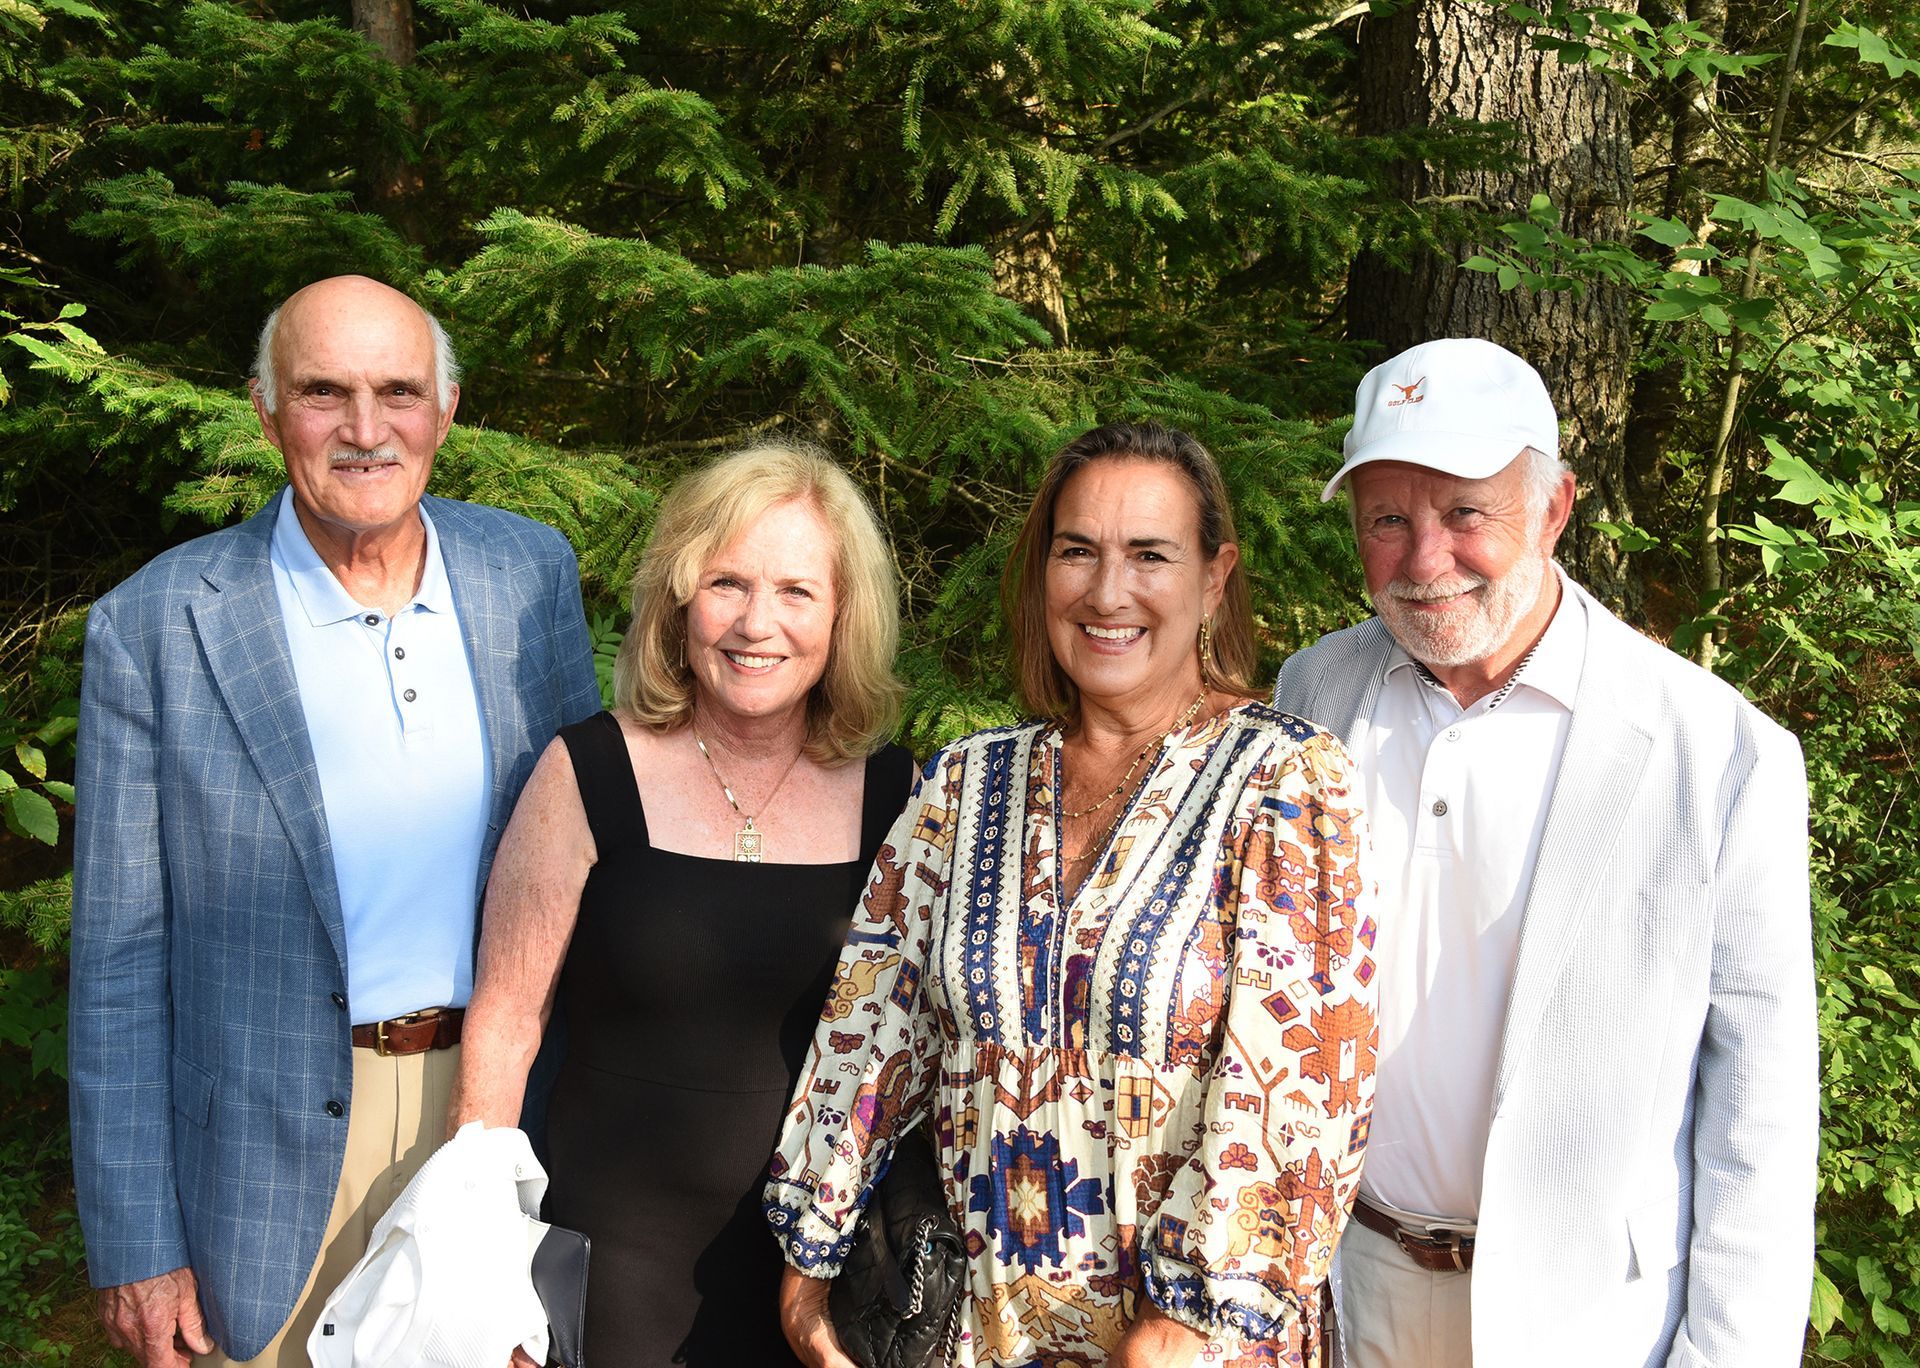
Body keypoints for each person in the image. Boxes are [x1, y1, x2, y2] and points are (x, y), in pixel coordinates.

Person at [67, 275, 603, 1368]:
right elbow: (119, 961)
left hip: (498, 1111)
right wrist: (136, 1242)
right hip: (259, 1166)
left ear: (445, 412)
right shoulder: (157, 627)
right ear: (266, 412)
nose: (366, 430)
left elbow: (589, 855)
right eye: (324, 393)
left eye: (398, 391)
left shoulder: (527, 574)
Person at [769, 422, 1376, 1368]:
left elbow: (1307, 1092)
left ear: (1215, 576)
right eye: (1077, 551)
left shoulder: (1284, 781)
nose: (1107, 592)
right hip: (975, 1331)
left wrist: (1182, 1328)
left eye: (1149, 555)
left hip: (1189, 1346)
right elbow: (874, 1023)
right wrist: (812, 1257)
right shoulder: (968, 785)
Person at [1271, 337, 1817, 1366]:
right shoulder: (1313, 694)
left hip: (1590, 1327)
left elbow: (1763, 1132)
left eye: (1466, 514)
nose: (1424, 560)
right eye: (1388, 519)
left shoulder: (1720, 757)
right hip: (1348, 1296)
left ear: (1556, 507)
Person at [448, 443, 916, 1364]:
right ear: (679, 598)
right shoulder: (584, 770)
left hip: (821, 1279)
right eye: (728, 583)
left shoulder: (901, 796)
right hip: (611, 1268)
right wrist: (483, 1261)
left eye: (796, 592)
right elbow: (507, 1017)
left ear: (842, 618)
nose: (756, 623)